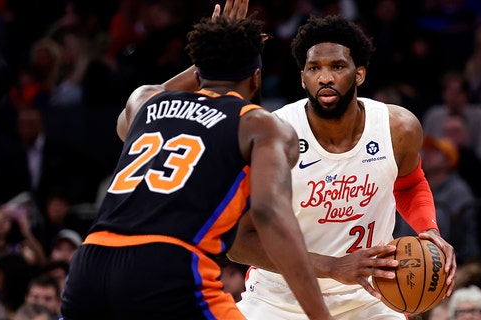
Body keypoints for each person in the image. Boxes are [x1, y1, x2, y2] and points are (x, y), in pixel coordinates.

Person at [60, 1, 333, 320]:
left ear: (199, 70)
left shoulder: (146, 103)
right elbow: (267, 214)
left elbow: (142, 104)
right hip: (168, 265)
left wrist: (211, 52)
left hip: (89, 265)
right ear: (256, 78)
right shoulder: (260, 124)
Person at [230, 14, 456, 319]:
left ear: (359, 74)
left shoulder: (397, 127)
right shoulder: (272, 134)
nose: (325, 77)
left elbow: (409, 184)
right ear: (302, 78)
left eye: (337, 66)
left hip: (371, 293)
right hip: (279, 296)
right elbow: (238, 241)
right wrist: (333, 267)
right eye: (314, 68)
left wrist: (429, 230)